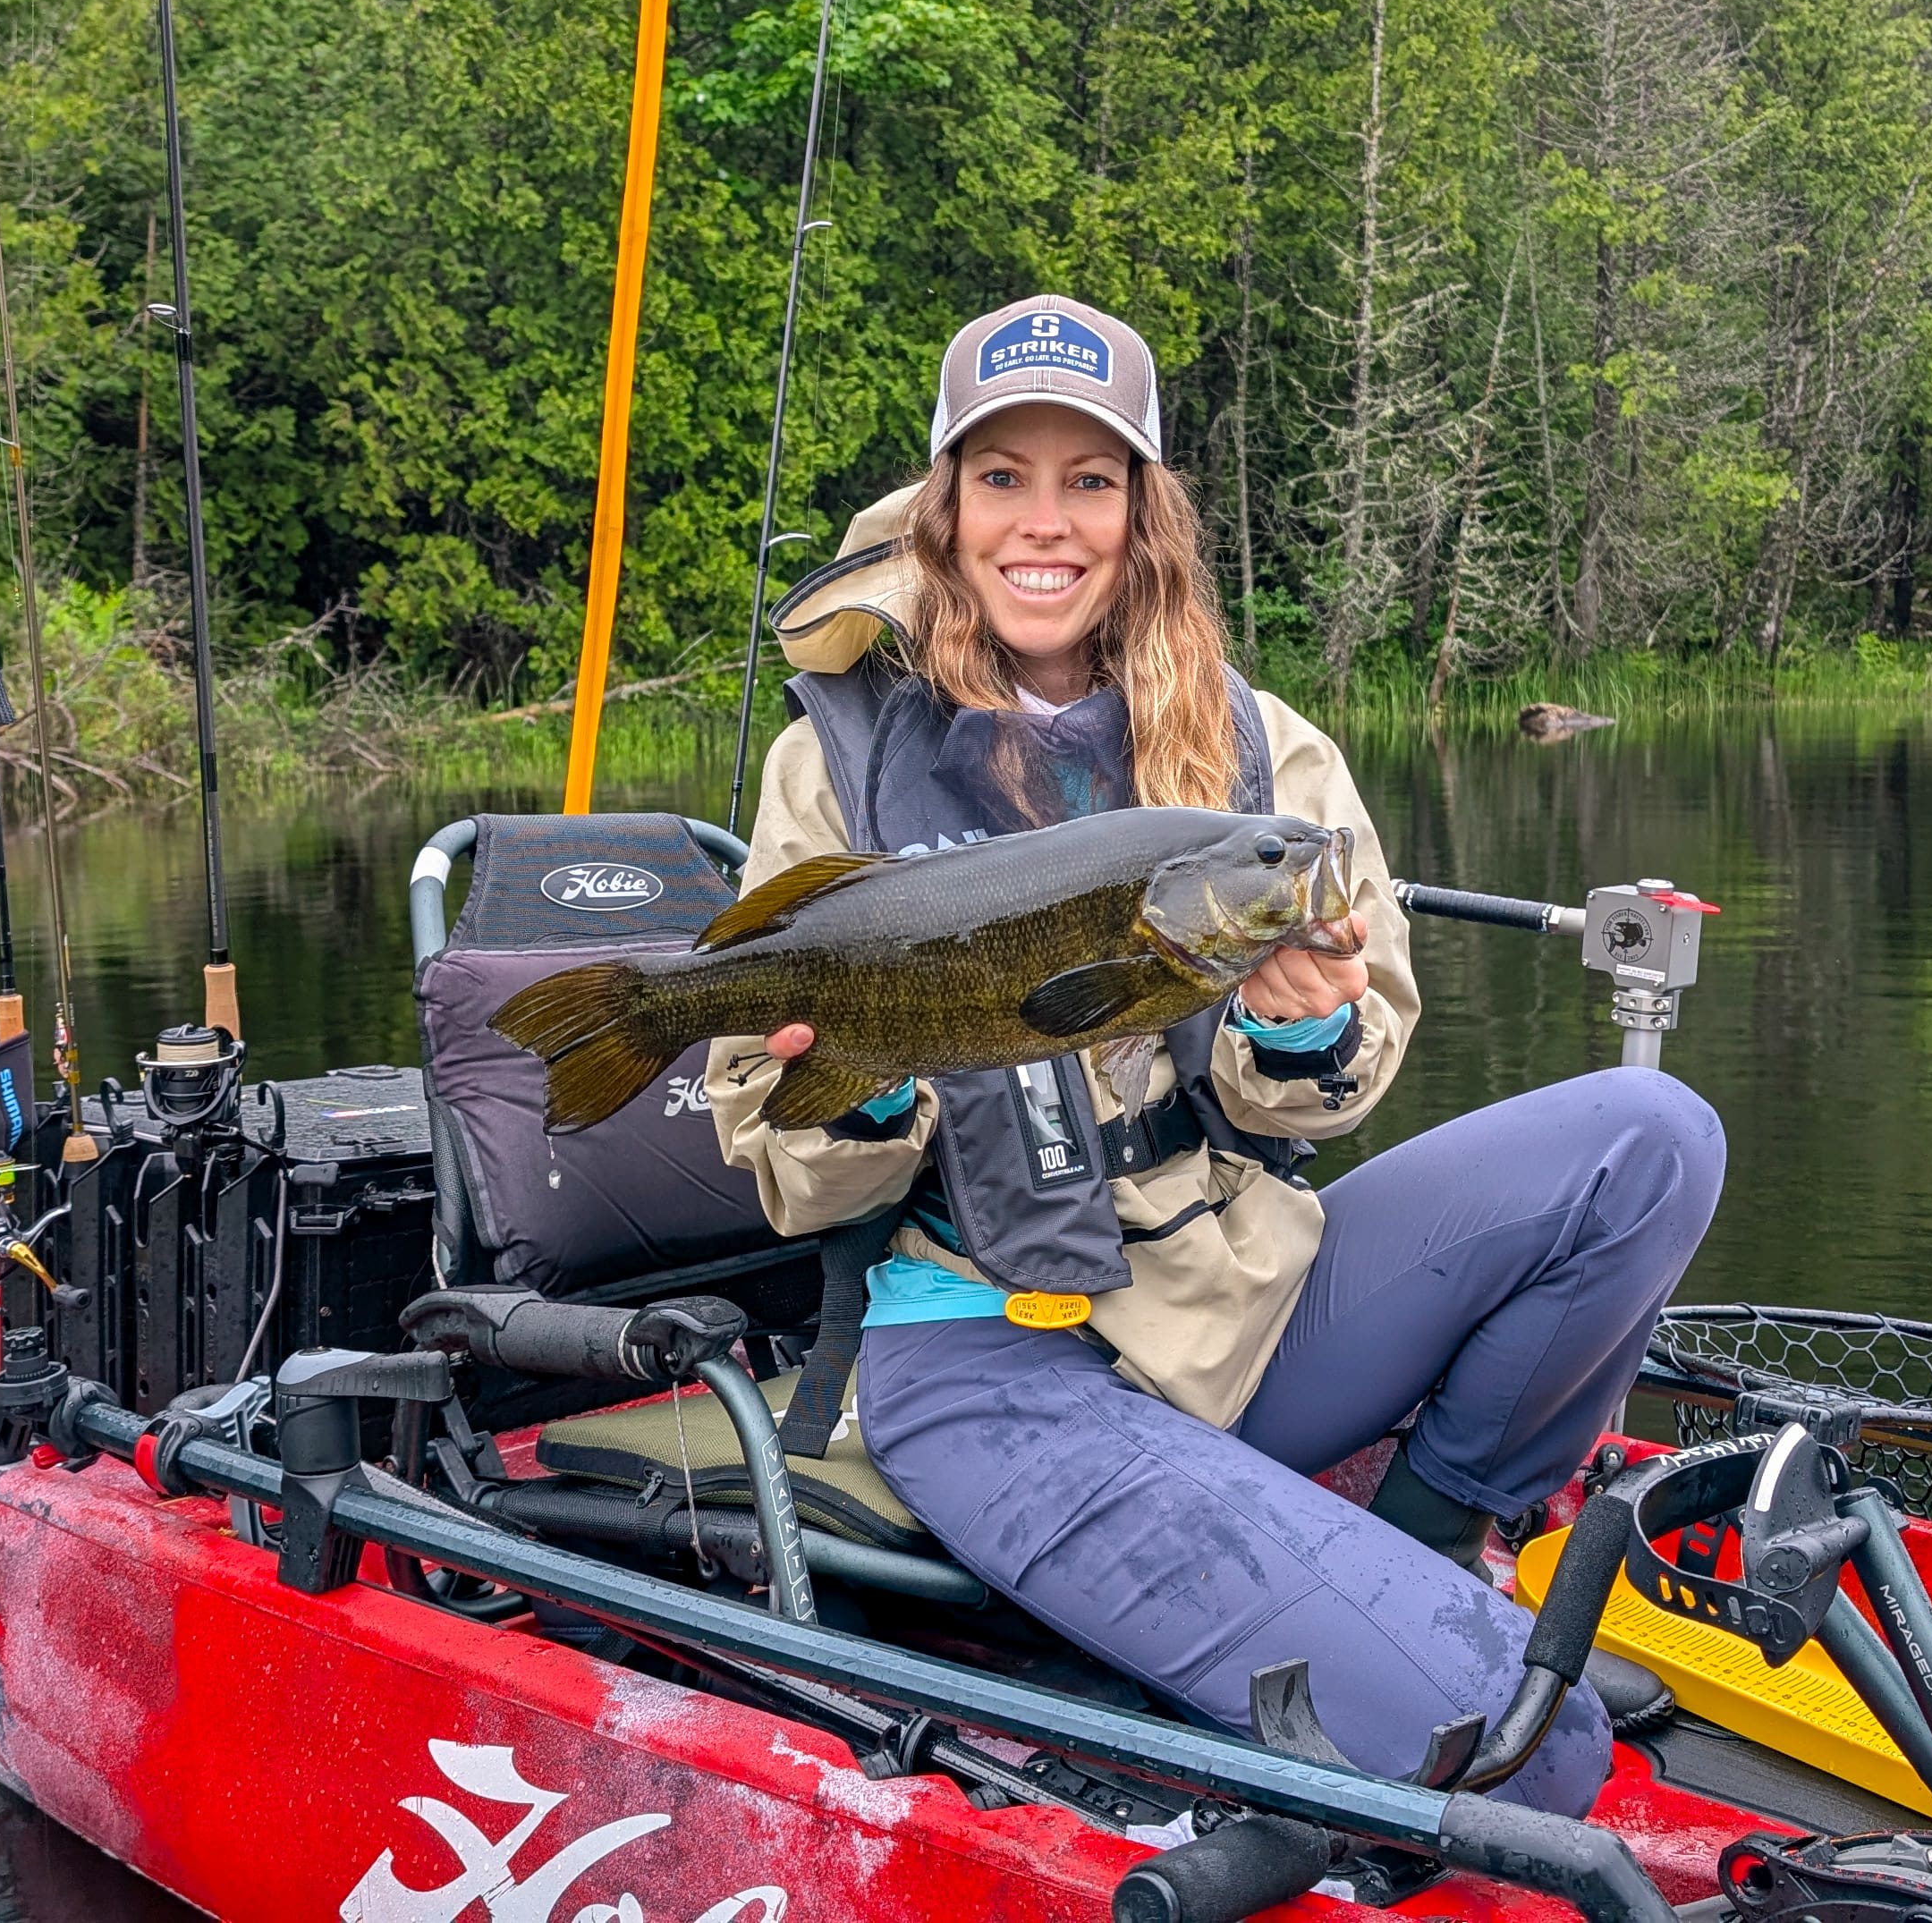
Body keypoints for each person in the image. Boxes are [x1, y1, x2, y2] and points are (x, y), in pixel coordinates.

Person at [705, 293, 1724, 1816]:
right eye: (1001, 476)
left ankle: (1435, 1533)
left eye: (1089, 479)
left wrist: (1300, 1021)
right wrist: (868, 1077)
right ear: (944, 507)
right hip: (989, 1365)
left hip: (1230, 1296)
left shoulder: (1265, 755)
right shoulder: (831, 763)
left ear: (1143, 511)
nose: (1044, 523)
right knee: (1534, 1746)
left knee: (1655, 1138)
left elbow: (1338, 1074)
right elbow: (787, 1175)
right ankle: (1404, 1634)